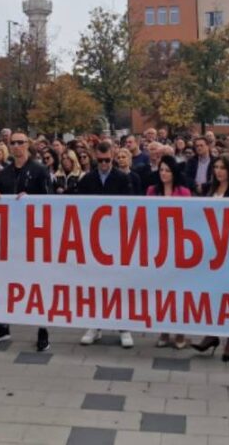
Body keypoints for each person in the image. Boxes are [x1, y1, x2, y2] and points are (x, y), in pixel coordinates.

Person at [0, 132, 54, 351]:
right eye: (12, 143)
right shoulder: (4, 173)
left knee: (37, 284)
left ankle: (43, 330)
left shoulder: (40, 170)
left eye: (20, 142)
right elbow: (0, 196)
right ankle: (2, 327)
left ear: (28, 145)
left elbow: (52, 201)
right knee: (4, 281)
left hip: (34, 237)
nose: (16, 146)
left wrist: (34, 201)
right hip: (10, 237)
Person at [75, 142, 135, 348]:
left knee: (119, 283)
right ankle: (95, 324)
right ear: (94, 158)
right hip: (94, 240)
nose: (103, 164)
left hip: (116, 239)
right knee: (95, 283)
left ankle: (124, 327)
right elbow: (73, 203)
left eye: (107, 160)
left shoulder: (122, 178)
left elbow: (130, 207)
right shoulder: (87, 179)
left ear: (114, 157)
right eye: (99, 161)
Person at [192, 152, 229, 361]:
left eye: (222, 168)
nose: (218, 172)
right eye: (216, 168)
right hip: (209, 249)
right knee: (212, 293)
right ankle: (212, 334)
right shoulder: (209, 189)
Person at [146, 154, 193, 349]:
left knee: (178, 291)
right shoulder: (152, 191)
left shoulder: (183, 192)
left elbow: (190, 217)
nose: (164, 173)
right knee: (161, 291)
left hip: (178, 245)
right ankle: (164, 331)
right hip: (157, 246)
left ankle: (180, 332)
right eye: (161, 170)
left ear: (174, 173)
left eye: (167, 170)